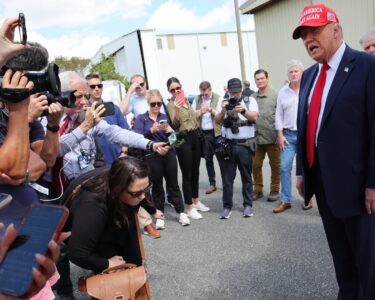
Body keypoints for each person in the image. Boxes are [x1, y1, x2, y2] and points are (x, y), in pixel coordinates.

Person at [293, 4, 375, 298]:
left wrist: (373, 184)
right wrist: (302, 171)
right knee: (342, 262)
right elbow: (306, 128)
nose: (308, 40)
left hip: (358, 189)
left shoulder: (366, 66)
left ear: (336, 30)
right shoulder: (310, 76)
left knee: (368, 265)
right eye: (304, 35)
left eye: (314, 31)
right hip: (324, 184)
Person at [67, 157, 163, 273]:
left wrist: (152, 210)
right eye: (137, 193)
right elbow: (77, 253)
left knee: (134, 261)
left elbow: (141, 191)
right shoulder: (92, 206)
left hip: (119, 209)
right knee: (113, 274)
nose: (142, 196)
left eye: (146, 189)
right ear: (118, 188)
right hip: (97, 228)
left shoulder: (127, 178)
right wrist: (108, 263)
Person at [134, 89, 190, 228]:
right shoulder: (141, 118)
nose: (156, 107)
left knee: (173, 184)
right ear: (148, 103)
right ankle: (160, 215)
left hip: (168, 152)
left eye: (159, 103)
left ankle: (181, 212)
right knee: (157, 187)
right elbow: (138, 138)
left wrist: (171, 132)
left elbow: (174, 141)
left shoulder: (164, 116)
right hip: (152, 155)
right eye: (153, 104)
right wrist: (150, 131)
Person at [119, 73, 163, 238]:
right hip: (140, 143)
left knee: (159, 179)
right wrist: (130, 90)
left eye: (141, 83)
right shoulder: (133, 100)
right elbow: (121, 111)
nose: (139, 86)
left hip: (158, 143)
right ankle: (148, 220)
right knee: (142, 182)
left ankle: (157, 210)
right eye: (135, 84)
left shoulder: (154, 97)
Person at [214, 78, 258, 219]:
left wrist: (243, 110)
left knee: (246, 176)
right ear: (228, 91)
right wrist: (222, 110)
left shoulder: (250, 100)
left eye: (237, 93)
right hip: (229, 144)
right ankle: (227, 207)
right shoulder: (223, 100)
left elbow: (255, 117)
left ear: (241, 90)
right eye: (232, 93)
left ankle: (248, 205)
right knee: (227, 178)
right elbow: (217, 120)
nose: (234, 96)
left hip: (244, 145)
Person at [273, 60, 313, 213]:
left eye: (296, 71)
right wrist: (280, 134)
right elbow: (279, 115)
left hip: (306, 135)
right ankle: (285, 200)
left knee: (307, 169)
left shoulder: (309, 88)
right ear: (287, 75)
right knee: (284, 167)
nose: (294, 74)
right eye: (291, 72)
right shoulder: (282, 92)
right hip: (288, 136)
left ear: (302, 73)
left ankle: (307, 198)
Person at [85, 73, 129, 166]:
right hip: (97, 164)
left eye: (99, 85)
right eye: (93, 86)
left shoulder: (114, 108)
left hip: (119, 159)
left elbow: (125, 132)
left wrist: (124, 152)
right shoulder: (85, 111)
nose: (97, 88)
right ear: (87, 89)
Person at [251, 69, 280, 202]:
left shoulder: (276, 95)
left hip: (273, 137)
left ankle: (274, 189)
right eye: (257, 79)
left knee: (275, 165)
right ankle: (258, 189)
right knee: (255, 165)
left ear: (267, 79)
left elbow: (281, 116)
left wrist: (280, 134)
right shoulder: (252, 98)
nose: (260, 81)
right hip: (257, 138)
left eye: (262, 78)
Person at [192, 81, 223, 194]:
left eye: (206, 93)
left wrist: (210, 109)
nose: (204, 96)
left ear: (210, 90)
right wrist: (200, 111)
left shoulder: (218, 98)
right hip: (204, 134)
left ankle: (226, 182)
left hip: (216, 133)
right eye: (202, 93)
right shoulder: (197, 99)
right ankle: (212, 183)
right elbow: (192, 115)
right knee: (208, 159)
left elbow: (221, 115)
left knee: (221, 159)